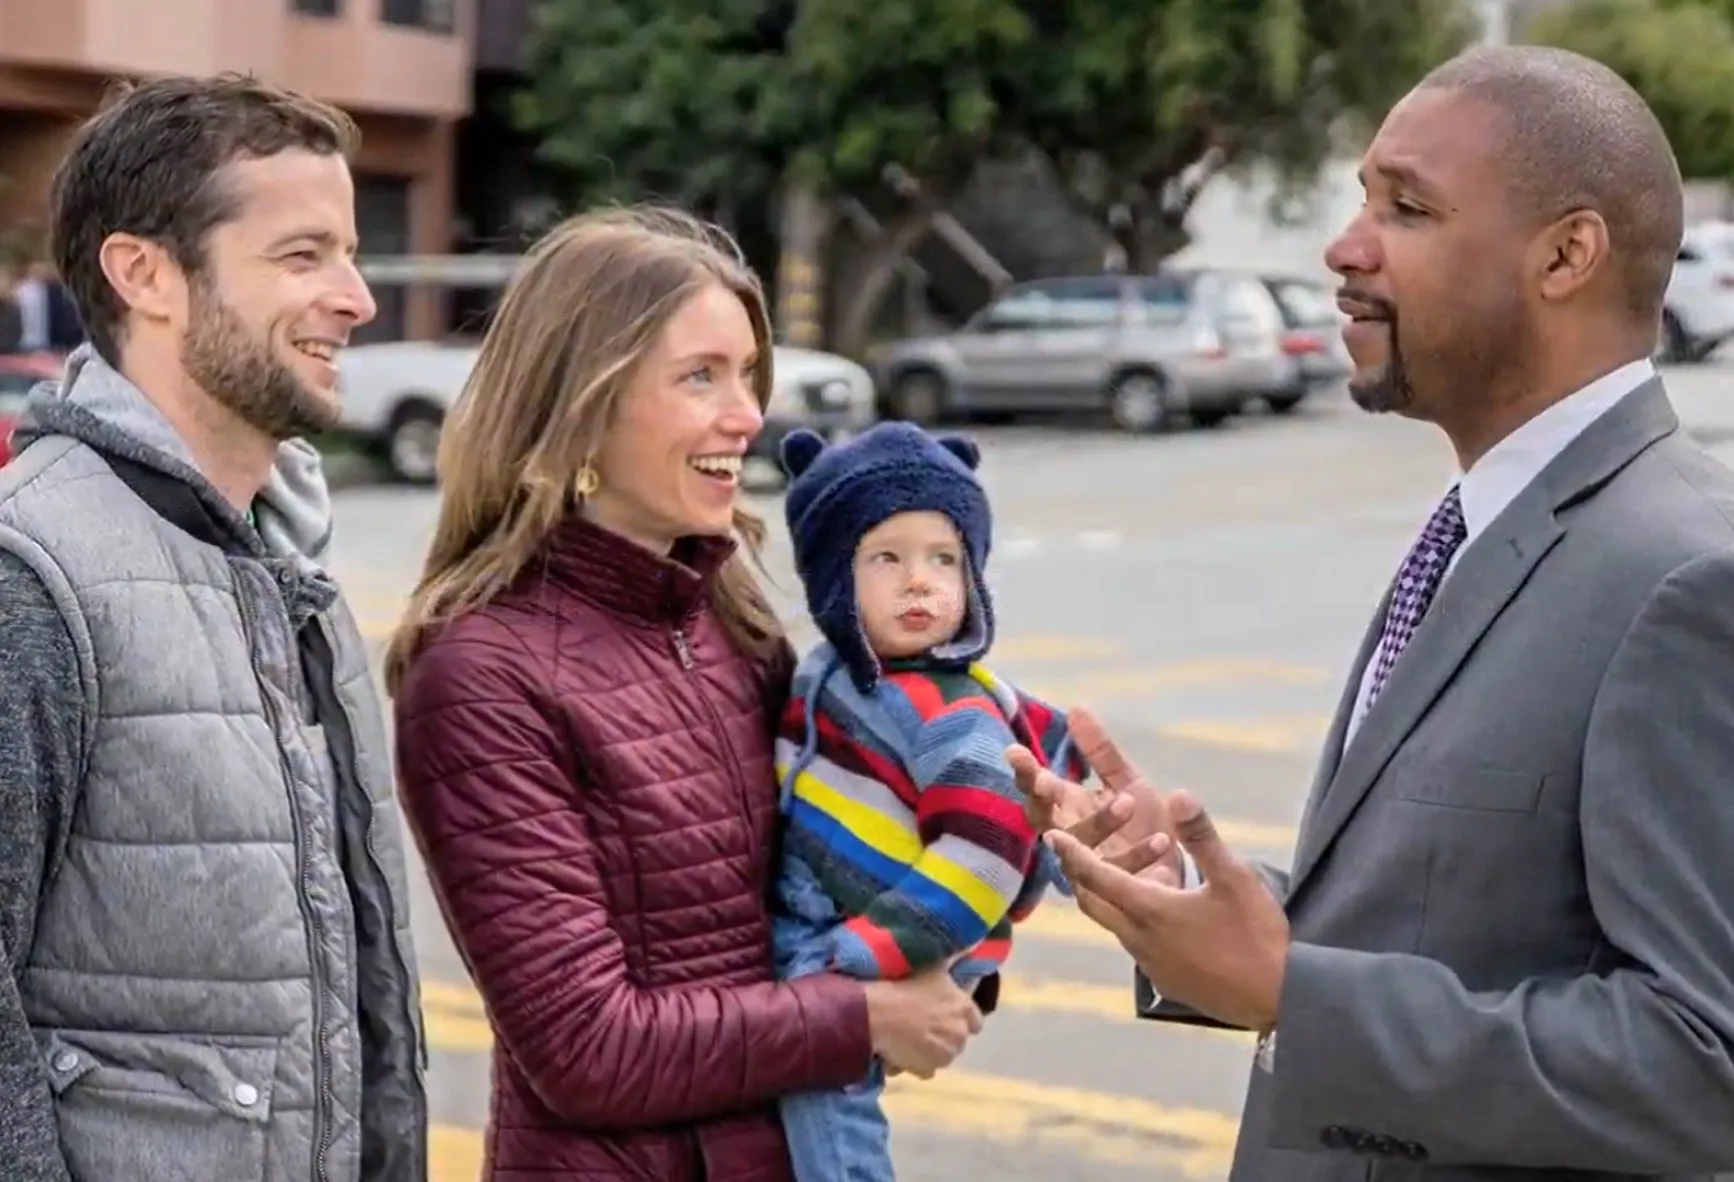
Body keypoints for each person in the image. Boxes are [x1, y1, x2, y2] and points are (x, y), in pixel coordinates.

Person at [1020, 43, 1734, 1181]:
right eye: (1362, 199)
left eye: (1406, 208)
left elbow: (1705, 1067)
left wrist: (1295, 996)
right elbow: (1449, 918)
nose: (1345, 247)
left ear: (1565, 254)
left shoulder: (1687, 577)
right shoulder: (1485, 520)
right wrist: (1206, 910)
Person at [385, 206, 986, 1182]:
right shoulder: (483, 676)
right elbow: (585, 1047)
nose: (746, 413)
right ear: (582, 401)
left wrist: (1024, 817)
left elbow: (840, 854)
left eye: (747, 374)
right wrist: (861, 1018)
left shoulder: (726, 614)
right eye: (700, 376)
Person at [0, 74, 428, 1182]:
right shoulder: (34, 572)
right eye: (303, 256)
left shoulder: (279, 557)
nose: (357, 298)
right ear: (145, 275)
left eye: (350, 252)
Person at [769, 422, 1085, 1181]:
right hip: (831, 919)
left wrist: (866, 959)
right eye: (887, 558)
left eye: (945, 559)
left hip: (883, 944)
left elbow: (988, 848)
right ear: (832, 582)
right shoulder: (830, 675)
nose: (920, 581)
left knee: (828, 1117)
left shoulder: (951, 712)